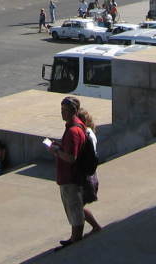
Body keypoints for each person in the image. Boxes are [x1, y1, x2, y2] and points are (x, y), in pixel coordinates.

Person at [48, 96, 89, 246]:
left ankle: (76, 239)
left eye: (65, 110)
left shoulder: (73, 131)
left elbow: (72, 157)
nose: (62, 113)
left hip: (70, 178)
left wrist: (56, 151)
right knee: (74, 208)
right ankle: (75, 237)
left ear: (73, 111)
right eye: (61, 110)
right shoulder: (77, 126)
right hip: (71, 176)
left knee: (74, 208)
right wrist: (60, 146)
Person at [77, 109, 102, 234]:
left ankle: (94, 227)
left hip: (87, 175)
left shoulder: (86, 134)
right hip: (90, 174)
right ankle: (81, 231)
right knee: (77, 205)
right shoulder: (89, 132)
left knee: (77, 205)